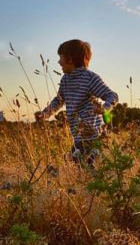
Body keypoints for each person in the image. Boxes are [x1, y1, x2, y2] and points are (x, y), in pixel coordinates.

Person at [35, 39, 118, 168]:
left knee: (79, 164)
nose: (59, 62)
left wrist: (104, 108)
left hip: (92, 135)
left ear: (70, 59)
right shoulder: (65, 80)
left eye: (61, 57)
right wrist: (45, 114)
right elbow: (59, 100)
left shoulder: (90, 78)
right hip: (78, 136)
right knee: (78, 165)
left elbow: (112, 95)